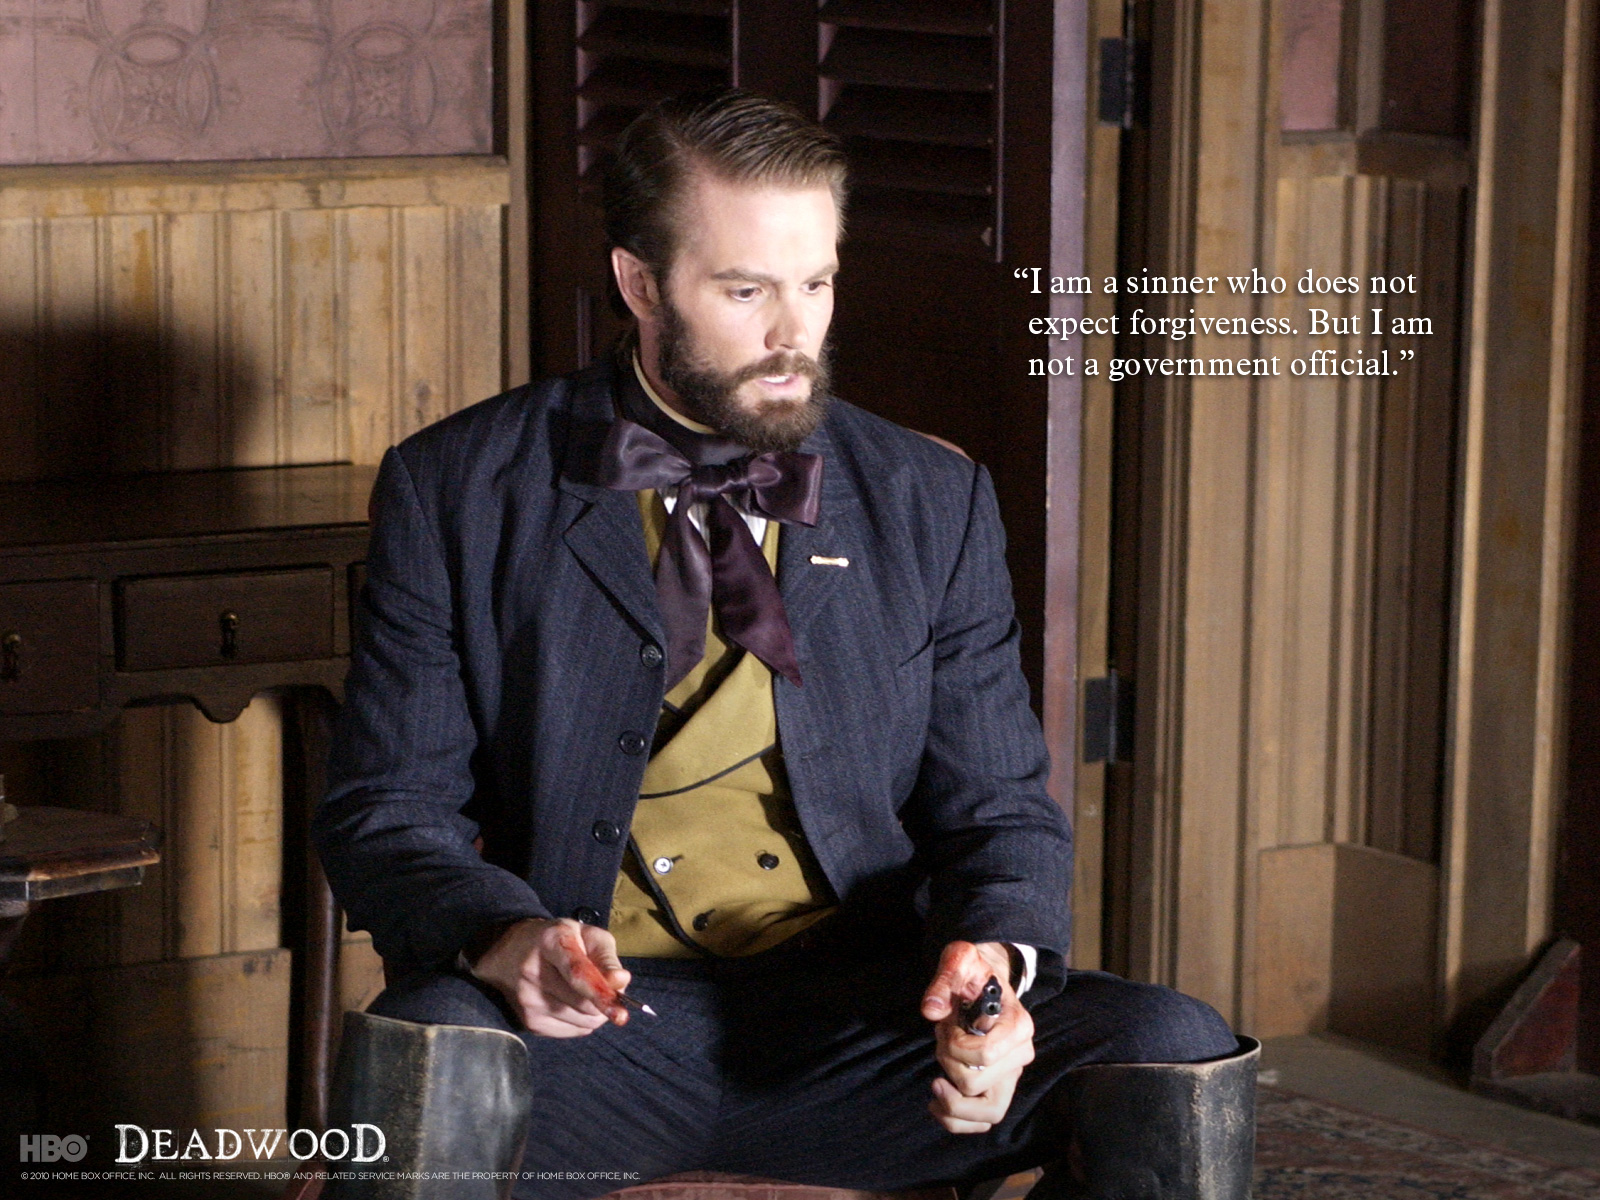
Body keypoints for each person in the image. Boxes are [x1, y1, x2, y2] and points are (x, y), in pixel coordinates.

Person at [314, 88, 1253, 1200]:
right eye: (746, 289)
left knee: (1172, 1051)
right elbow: (388, 808)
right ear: (640, 284)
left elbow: (999, 810)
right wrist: (506, 939)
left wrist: (990, 974)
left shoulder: (930, 497)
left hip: (860, 1032)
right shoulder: (459, 486)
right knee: (430, 1053)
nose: (791, 334)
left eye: (816, 284)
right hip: (590, 1038)